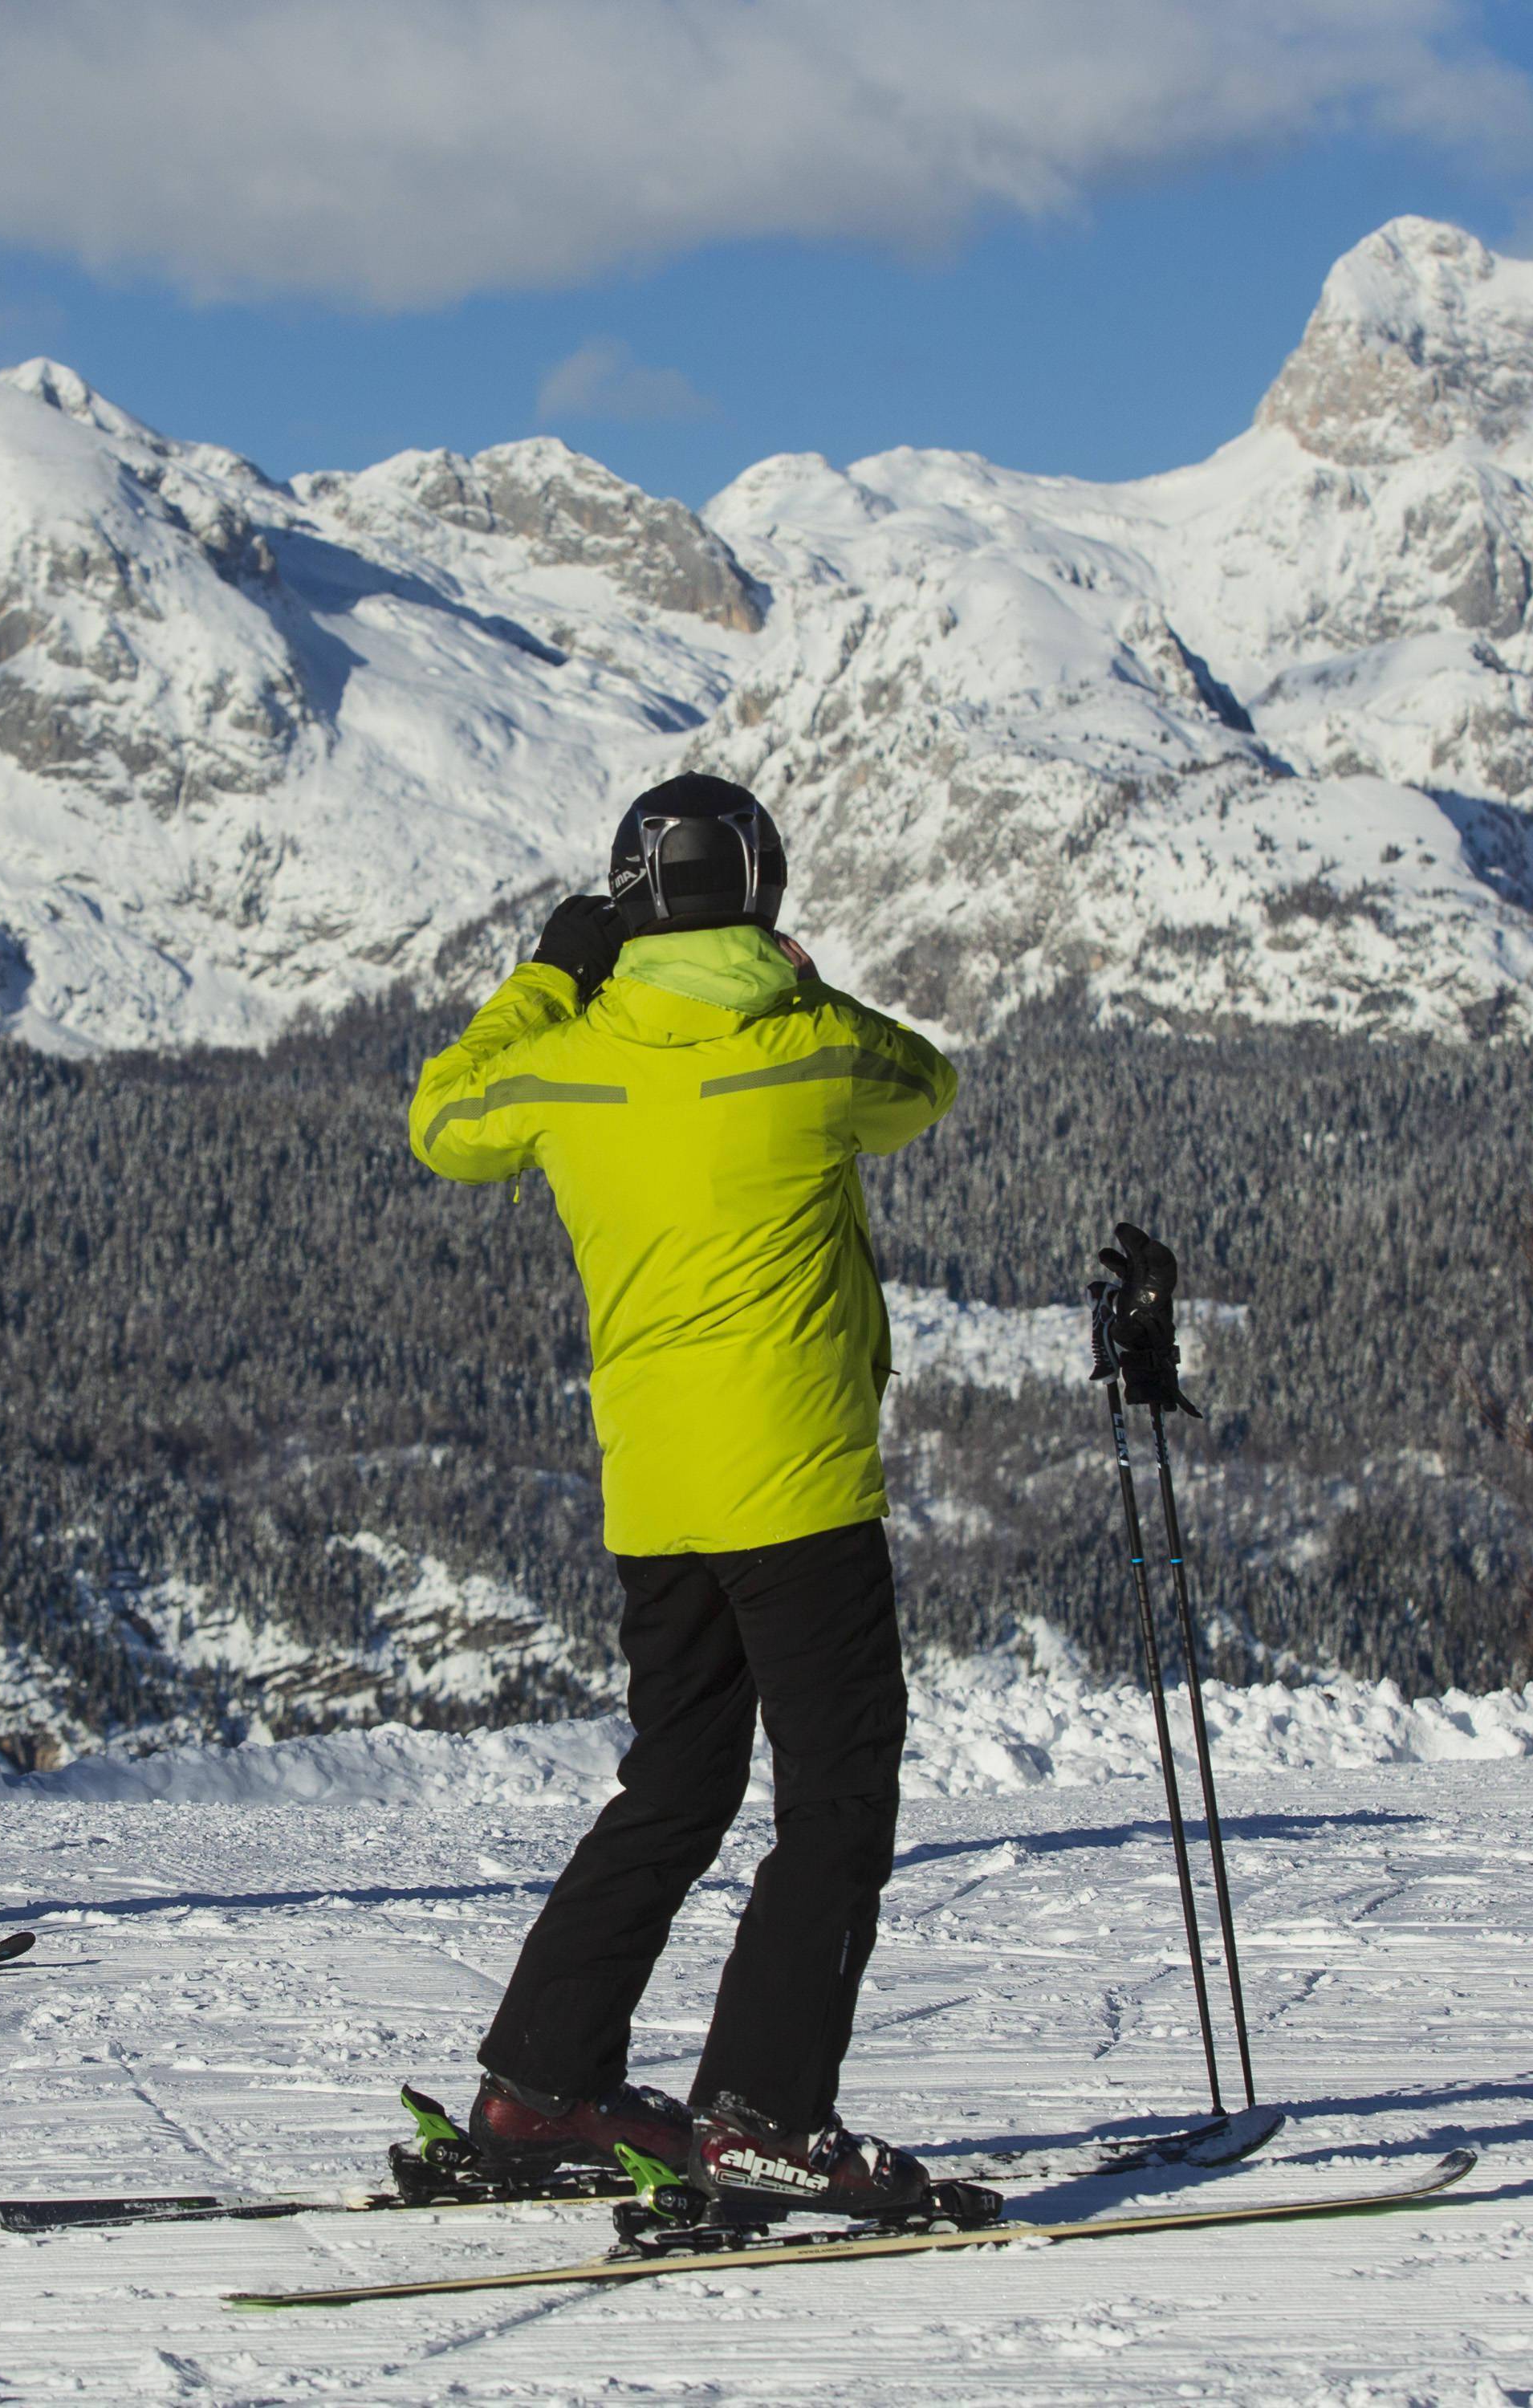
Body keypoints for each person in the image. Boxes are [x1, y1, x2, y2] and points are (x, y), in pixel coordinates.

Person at [406, 774, 958, 2218]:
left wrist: (545, 973)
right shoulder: (812, 1047)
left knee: (678, 1783)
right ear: (765, 891)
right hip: (800, 1485)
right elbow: (925, 1086)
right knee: (835, 1798)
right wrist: (802, 982)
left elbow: (444, 1122)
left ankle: (541, 2083)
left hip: (657, 1499)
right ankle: (767, 2111)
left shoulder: (570, 1061)